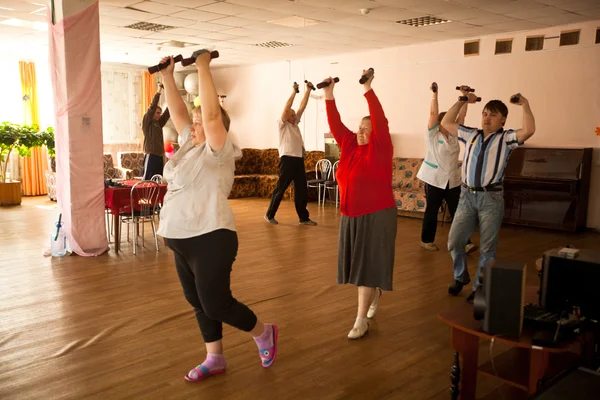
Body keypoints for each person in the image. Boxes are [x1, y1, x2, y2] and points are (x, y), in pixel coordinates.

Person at [156, 52, 278, 382]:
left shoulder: (218, 150)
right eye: (193, 124)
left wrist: (203, 66)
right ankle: (214, 358)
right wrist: (168, 77)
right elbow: (181, 114)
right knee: (198, 302)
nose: (193, 126)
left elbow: (210, 116)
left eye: (200, 123)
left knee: (216, 304)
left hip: (211, 236)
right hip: (179, 237)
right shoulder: (189, 146)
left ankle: (263, 332)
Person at [322, 71, 397, 340]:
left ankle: (360, 319)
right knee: (361, 266)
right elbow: (335, 123)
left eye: (368, 128)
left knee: (365, 267)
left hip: (377, 214)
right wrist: (329, 94)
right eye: (360, 127)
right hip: (350, 215)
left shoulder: (381, 148)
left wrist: (367, 89)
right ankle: (374, 292)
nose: (362, 131)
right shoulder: (350, 145)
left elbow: (378, 117)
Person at [441, 92, 535, 301]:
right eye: (484, 113)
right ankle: (460, 276)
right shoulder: (471, 134)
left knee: (487, 248)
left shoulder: (506, 138)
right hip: (466, 197)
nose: (486, 118)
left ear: (502, 120)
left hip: (490, 200)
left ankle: (480, 288)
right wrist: (462, 100)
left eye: (493, 115)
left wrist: (525, 104)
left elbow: (529, 130)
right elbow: (447, 122)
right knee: (455, 242)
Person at [417, 83, 477, 254]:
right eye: (445, 123)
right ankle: (426, 240)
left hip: (453, 180)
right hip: (434, 179)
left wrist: (465, 98)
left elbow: (462, 118)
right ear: (440, 124)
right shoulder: (432, 135)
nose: (450, 126)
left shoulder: (454, 136)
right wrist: (435, 94)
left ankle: (465, 242)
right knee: (432, 211)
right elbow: (432, 114)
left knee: (459, 211)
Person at [265, 81, 317, 226]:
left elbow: (302, 106)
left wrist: (308, 90)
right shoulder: (282, 125)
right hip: (287, 160)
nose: (295, 117)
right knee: (280, 189)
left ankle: (303, 218)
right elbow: (287, 107)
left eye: (295, 115)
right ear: (286, 117)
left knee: (301, 190)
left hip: (298, 160)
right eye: (292, 115)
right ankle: (269, 215)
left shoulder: (294, 124)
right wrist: (294, 92)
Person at [142, 83, 170, 180]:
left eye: (160, 113)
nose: (159, 115)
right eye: (157, 113)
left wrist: (171, 94)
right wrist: (159, 90)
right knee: (147, 180)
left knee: (159, 180)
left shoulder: (158, 123)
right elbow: (153, 106)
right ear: (152, 113)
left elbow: (168, 113)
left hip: (159, 156)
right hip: (151, 155)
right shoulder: (147, 122)